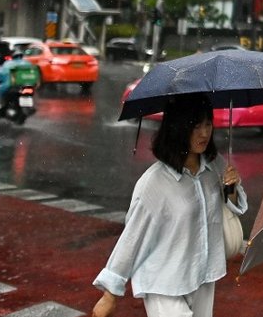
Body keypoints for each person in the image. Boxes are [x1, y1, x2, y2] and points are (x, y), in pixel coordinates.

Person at [92, 94, 246, 317]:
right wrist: (110, 294)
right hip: (164, 280)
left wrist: (231, 187)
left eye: (208, 124)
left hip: (203, 273)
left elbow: (230, 208)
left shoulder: (215, 165)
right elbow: (133, 237)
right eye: (195, 126)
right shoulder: (154, 183)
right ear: (178, 128)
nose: (204, 133)